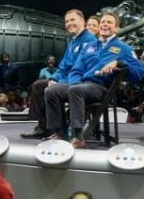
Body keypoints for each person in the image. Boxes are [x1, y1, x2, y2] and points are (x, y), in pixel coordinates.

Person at [43, 11, 144, 148]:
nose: (105, 25)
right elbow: (76, 70)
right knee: (51, 91)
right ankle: (59, 133)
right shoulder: (89, 47)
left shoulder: (123, 48)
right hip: (82, 85)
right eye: (103, 22)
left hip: (102, 88)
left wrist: (119, 62)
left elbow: (139, 72)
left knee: (75, 90)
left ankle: (77, 136)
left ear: (116, 28)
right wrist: (75, 83)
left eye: (109, 22)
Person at [21, 10, 98, 139]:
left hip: (79, 82)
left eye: (72, 20)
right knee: (36, 86)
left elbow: (81, 69)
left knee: (42, 87)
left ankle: (55, 129)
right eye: (67, 21)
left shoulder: (90, 40)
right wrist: (53, 78)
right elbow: (63, 67)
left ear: (82, 21)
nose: (69, 23)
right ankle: (44, 126)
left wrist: (60, 81)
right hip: (66, 79)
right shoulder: (72, 42)